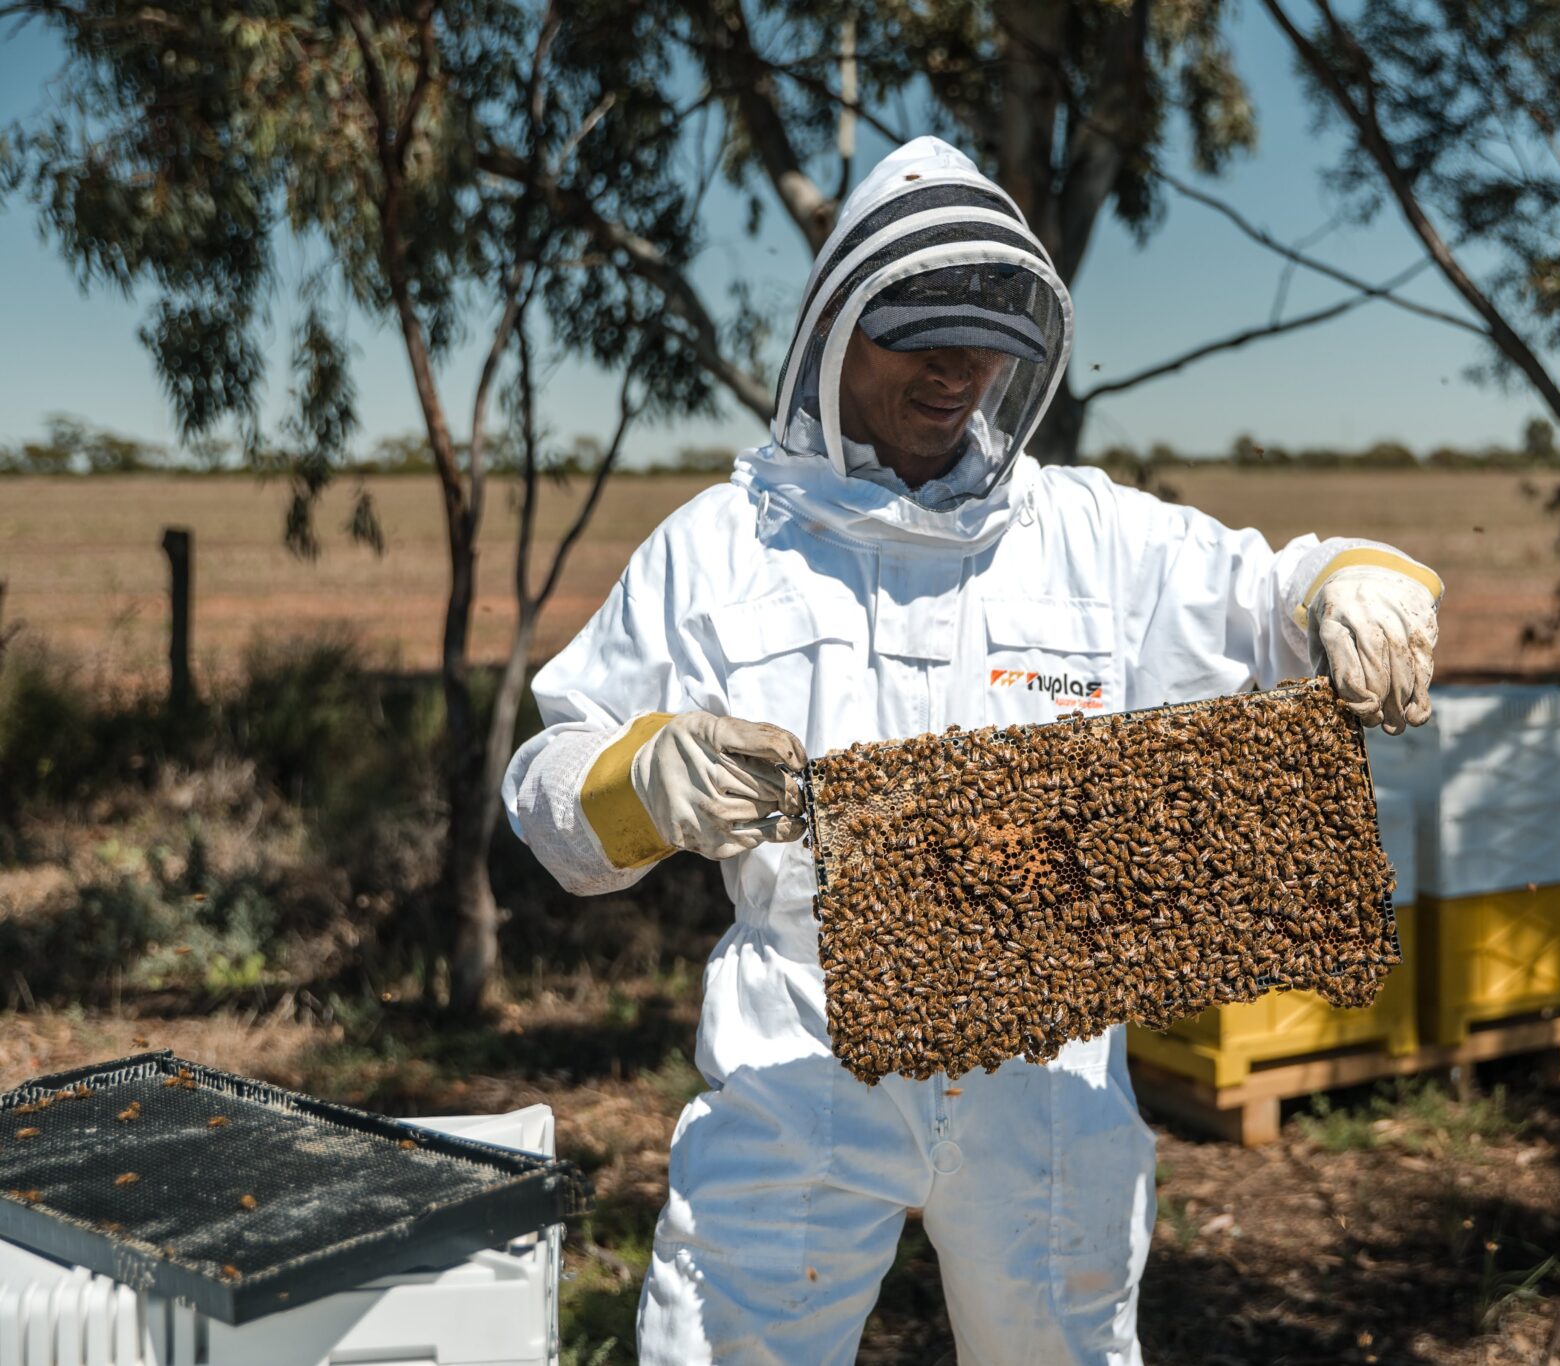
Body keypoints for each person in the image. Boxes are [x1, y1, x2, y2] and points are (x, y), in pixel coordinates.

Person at [503, 136, 1443, 1366]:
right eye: (922, 334)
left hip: (1044, 1071)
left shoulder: (1087, 534)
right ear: (837, 331)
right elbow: (549, 785)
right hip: (802, 1058)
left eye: (986, 337)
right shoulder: (718, 547)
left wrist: (1357, 587)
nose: (958, 370)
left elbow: (1276, 588)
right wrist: (640, 780)